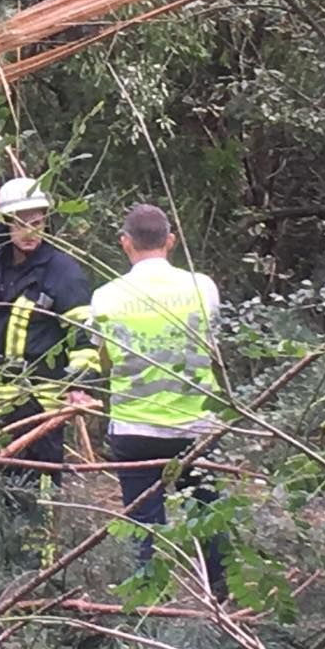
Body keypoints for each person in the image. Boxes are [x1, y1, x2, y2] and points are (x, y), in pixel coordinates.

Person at [91, 202, 229, 601]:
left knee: (144, 523)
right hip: (197, 424)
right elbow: (212, 346)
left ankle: (149, 600)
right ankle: (220, 594)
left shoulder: (106, 296)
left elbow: (105, 361)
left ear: (124, 243)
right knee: (207, 511)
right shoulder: (203, 287)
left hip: (136, 428)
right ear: (170, 241)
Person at [0, 177, 97, 491]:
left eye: (37, 221)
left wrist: (80, 386)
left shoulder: (63, 273)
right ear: (6, 222)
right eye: (21, 222)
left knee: (36, 495)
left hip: (38, 405)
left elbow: (84, 337)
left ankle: (43, 539)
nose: (30, 231)